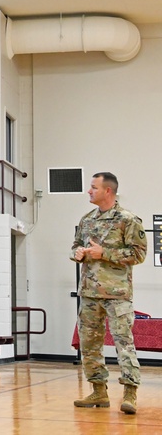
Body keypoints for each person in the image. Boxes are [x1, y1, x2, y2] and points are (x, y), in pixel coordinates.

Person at [71, 171, 147, 414]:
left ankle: (130, 394)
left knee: (124, 343)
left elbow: (138, 254)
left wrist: (104, 253)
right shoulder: (86, 220)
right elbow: (75, 246)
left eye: (93, 187)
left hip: (117, 294)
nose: (89, 191)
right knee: (90, 344)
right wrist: (78, 253)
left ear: (108, 191)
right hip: (90, 293)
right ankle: (98, 391)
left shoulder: (128, 219)